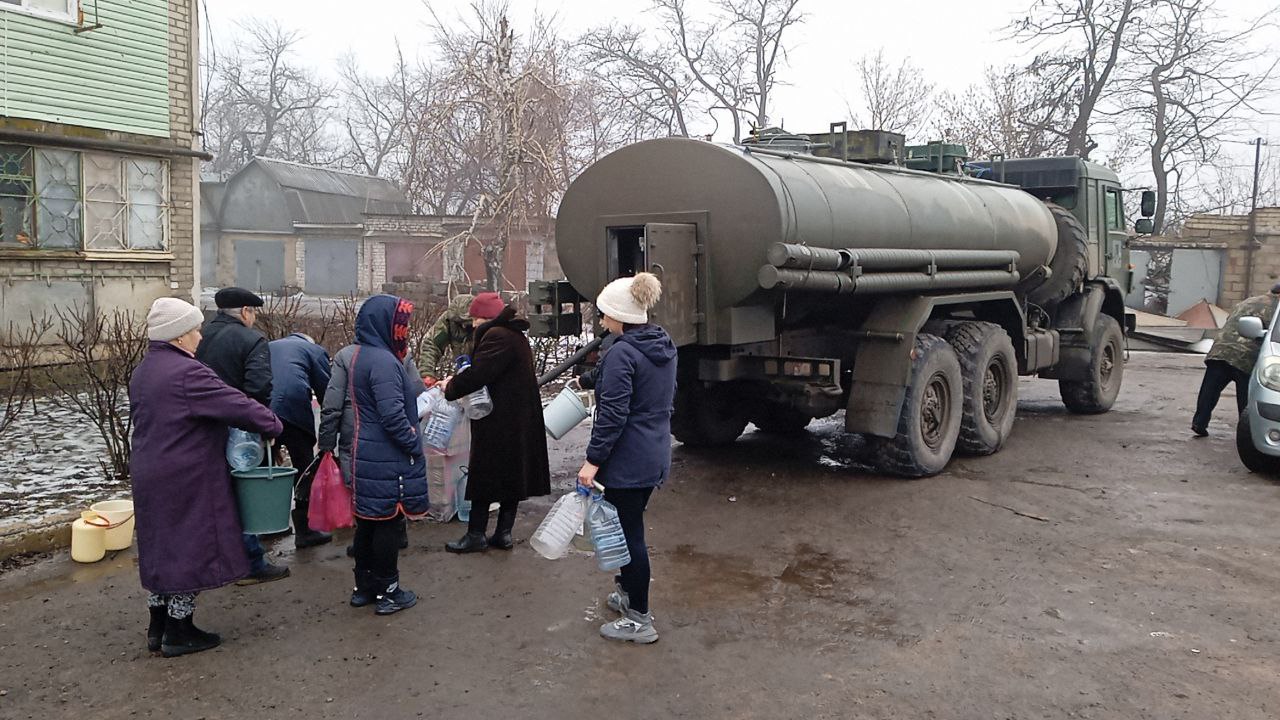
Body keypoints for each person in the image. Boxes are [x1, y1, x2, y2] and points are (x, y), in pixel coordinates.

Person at [130, 298, 283, 657]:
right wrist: (273, 424)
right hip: (186, 474)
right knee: (189, 546)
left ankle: (159, 624)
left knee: (161, 546)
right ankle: (180, 631)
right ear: (179, 335)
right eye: (195, 329)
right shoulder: (188, 373)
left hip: (150, 469)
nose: (200, 335)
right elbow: (235, 404)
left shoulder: (145, 370)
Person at [575, 273, 676, 644]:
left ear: (619, 315)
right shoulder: (659, 344)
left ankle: (639, 618)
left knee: (630, 534)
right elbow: (632, 378)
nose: (601, 321)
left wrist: (592, 462)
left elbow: (614, 415)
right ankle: (627, 595)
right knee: (627, 527)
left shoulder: (621, 352)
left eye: (604, 314)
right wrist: (588, 382)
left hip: (628, 459)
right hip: (653, 453)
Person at [442, 292, 551, 553]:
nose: (473, 325)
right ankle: (503, 533)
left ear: (486, 318)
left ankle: (476, 534)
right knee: (511, 476)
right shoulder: (513, 336)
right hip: (515, 417)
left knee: (484, 475)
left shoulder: (497, 337)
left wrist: (451, 387)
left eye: (476, 319)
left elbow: (480, 374)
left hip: (501, 420)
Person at [195, 287, 289, 585]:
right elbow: (259, 389)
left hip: (202, 428)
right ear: (246, 312)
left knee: (215, 495)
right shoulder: (253, 340)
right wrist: (264, 428)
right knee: (245, 495)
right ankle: (251, 563)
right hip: (239, 431)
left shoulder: (200, 337)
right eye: (254, 312)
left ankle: (216, 560)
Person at [345, 294, 429, 615]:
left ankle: (364, 588)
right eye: (400, 324)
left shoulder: (363, 354)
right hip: (387, 457)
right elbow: (392, 415)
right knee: (388, 524)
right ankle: (389, 591)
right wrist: (412, 441)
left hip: (368, 451)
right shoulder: (383, 362)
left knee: (368, 522)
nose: (404, 331)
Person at [319, 341, 424, 557]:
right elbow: (417, 390)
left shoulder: (345, 355)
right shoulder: (400, 353)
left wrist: (326, 443)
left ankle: (365, 536)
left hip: (355, 423)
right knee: (394, 472)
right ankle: (398, 527)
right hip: (394, 423)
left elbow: (332, 403)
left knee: (356, 472)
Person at [268, 332, 333, 548]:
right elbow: (327, 392)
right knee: (303, 468)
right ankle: (306, 532)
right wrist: (330, 429)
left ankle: (267, 524)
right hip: (294, 408)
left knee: (265, 467)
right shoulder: (314, 351)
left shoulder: (269, 346)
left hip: (262, 410)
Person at [1192, 283, 1280, 436]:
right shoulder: (1275, 307)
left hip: (1221, 349)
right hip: (1246, 355)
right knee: (1246, 398)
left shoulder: (1248, 301)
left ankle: (1199, 423)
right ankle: (1247, 433)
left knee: (1210, 390)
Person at [417, 293, 475, 380]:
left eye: (467, 324)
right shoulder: (448, 321)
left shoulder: (485, 323)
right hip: (463, 371)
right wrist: (427, 372)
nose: (463, 327)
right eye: (459, 323)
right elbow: (432, 344)